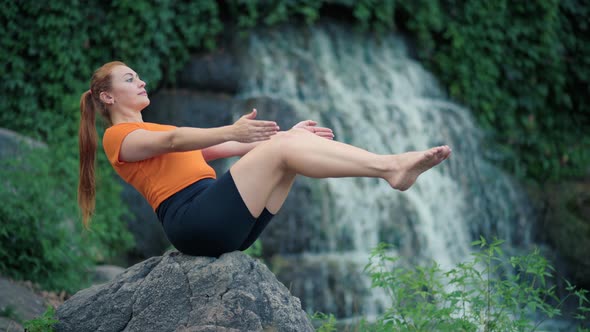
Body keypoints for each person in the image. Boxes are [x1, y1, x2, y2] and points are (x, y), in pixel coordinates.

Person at [78, 61, 452, 257]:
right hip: (193, 221)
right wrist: (230, 130)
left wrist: (289, 134)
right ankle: (390, 168)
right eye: (129, 79)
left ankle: (389, 167)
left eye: (138, 77)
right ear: (107, 98)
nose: (140, 81)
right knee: (282, 150)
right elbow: (177, 140)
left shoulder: (155, 132)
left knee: (288, 151)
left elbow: (228, 149)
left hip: (224, 223)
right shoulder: (118, 138)